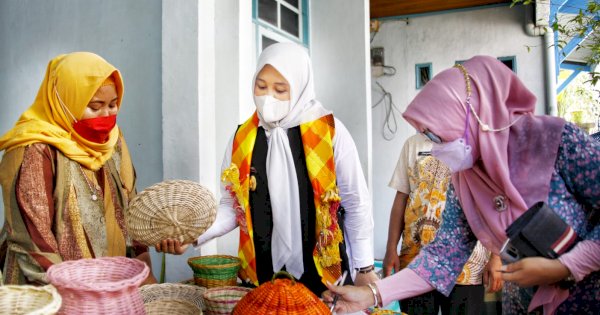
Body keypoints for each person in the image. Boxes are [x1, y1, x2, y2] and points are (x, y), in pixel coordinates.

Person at [324, 56, 599, 314]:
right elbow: (442, 258)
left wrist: (564, 267)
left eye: (436, 134)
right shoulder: (466, 180)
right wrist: (370, 293)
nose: (433, 147)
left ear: (475, 116)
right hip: (528, 304)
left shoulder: (556, 142)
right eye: (426, 135)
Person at [182, 42, 376, 295]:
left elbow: (356, 202)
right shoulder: (243, 138)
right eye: (261, 86)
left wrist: (364, 267)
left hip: (324, 277)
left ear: (299, 88)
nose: (267, 97)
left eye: (280, 89)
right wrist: (193, 233)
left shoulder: (329, 133)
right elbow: (232, 206)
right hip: (263, 274)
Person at [0, 52, 175, 285]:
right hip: (52, 288)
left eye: (113, 105)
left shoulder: (112, 139)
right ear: (65, 101)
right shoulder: (34, 149)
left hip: (110, 284)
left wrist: (141, 265)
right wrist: (75, 293)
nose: (106, 115)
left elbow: (129, 202)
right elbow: (34, 238)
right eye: (94, 107)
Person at [383, 133, 502, 314]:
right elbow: (401, 198)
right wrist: (391, 248)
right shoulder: (413, 144)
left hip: (467, 266)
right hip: (416, 261)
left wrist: (496, 256)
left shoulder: (477, 145)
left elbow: (493, 203)